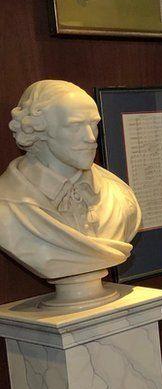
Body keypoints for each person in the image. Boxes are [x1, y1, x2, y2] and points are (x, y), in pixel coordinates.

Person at [0, 80, 140, 298]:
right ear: (39, 129)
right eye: (75, 126)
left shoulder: (120, 197)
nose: (91, 137)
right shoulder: (7, 205)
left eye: (93, 124)